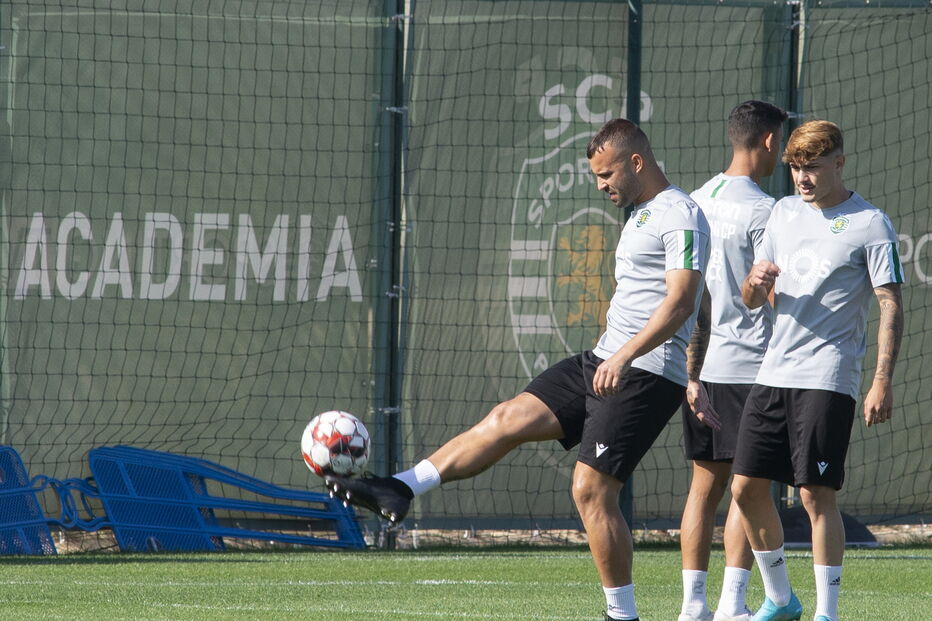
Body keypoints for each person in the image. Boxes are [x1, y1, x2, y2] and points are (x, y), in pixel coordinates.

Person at [326, 118, 711, 621]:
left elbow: (683, 302)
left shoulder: (680, 213)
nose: (601, 186)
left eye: (607, 174)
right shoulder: (641, 213)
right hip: (603, 360)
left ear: (636, 162)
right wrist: (681, 369)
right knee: (506, 418)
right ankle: (401, 487)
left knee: (591, 489)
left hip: (643, 372)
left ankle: (622, 616)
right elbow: (701, 308)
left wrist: (640, 361)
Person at [731, 120, 904, 621]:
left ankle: (827, 613)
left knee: (814, 493)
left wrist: (881, 380)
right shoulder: (782, 213)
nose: (802, 178)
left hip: (828, 378)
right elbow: (752, 299)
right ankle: (781, 599)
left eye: (812, 167)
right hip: (773, 373)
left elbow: (890, 305)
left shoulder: (871, 223)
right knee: (744, 488)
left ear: (839, 164)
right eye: (795, 168)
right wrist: (754, 282)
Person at [678, 101, 789, 621]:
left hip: (703, 368)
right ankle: (731, 604)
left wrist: (690, 374)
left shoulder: (695, 201)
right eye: (780, 144)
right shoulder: (767, 211)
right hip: (753, 369)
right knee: (751, 490)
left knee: (703, 490)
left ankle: (692, 606)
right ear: (767, 141)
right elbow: (773, 296)